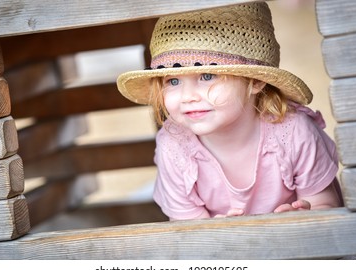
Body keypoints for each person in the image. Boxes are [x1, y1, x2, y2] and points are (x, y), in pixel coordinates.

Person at [117, 2, 342, 220]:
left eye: (207, 76)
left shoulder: (294, 133)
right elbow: (186, 230)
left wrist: (304, 218)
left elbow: (325, 204)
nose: (188, 96)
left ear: (255, 81)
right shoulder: (174, 147)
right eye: (173, 81)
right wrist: (218, 234)